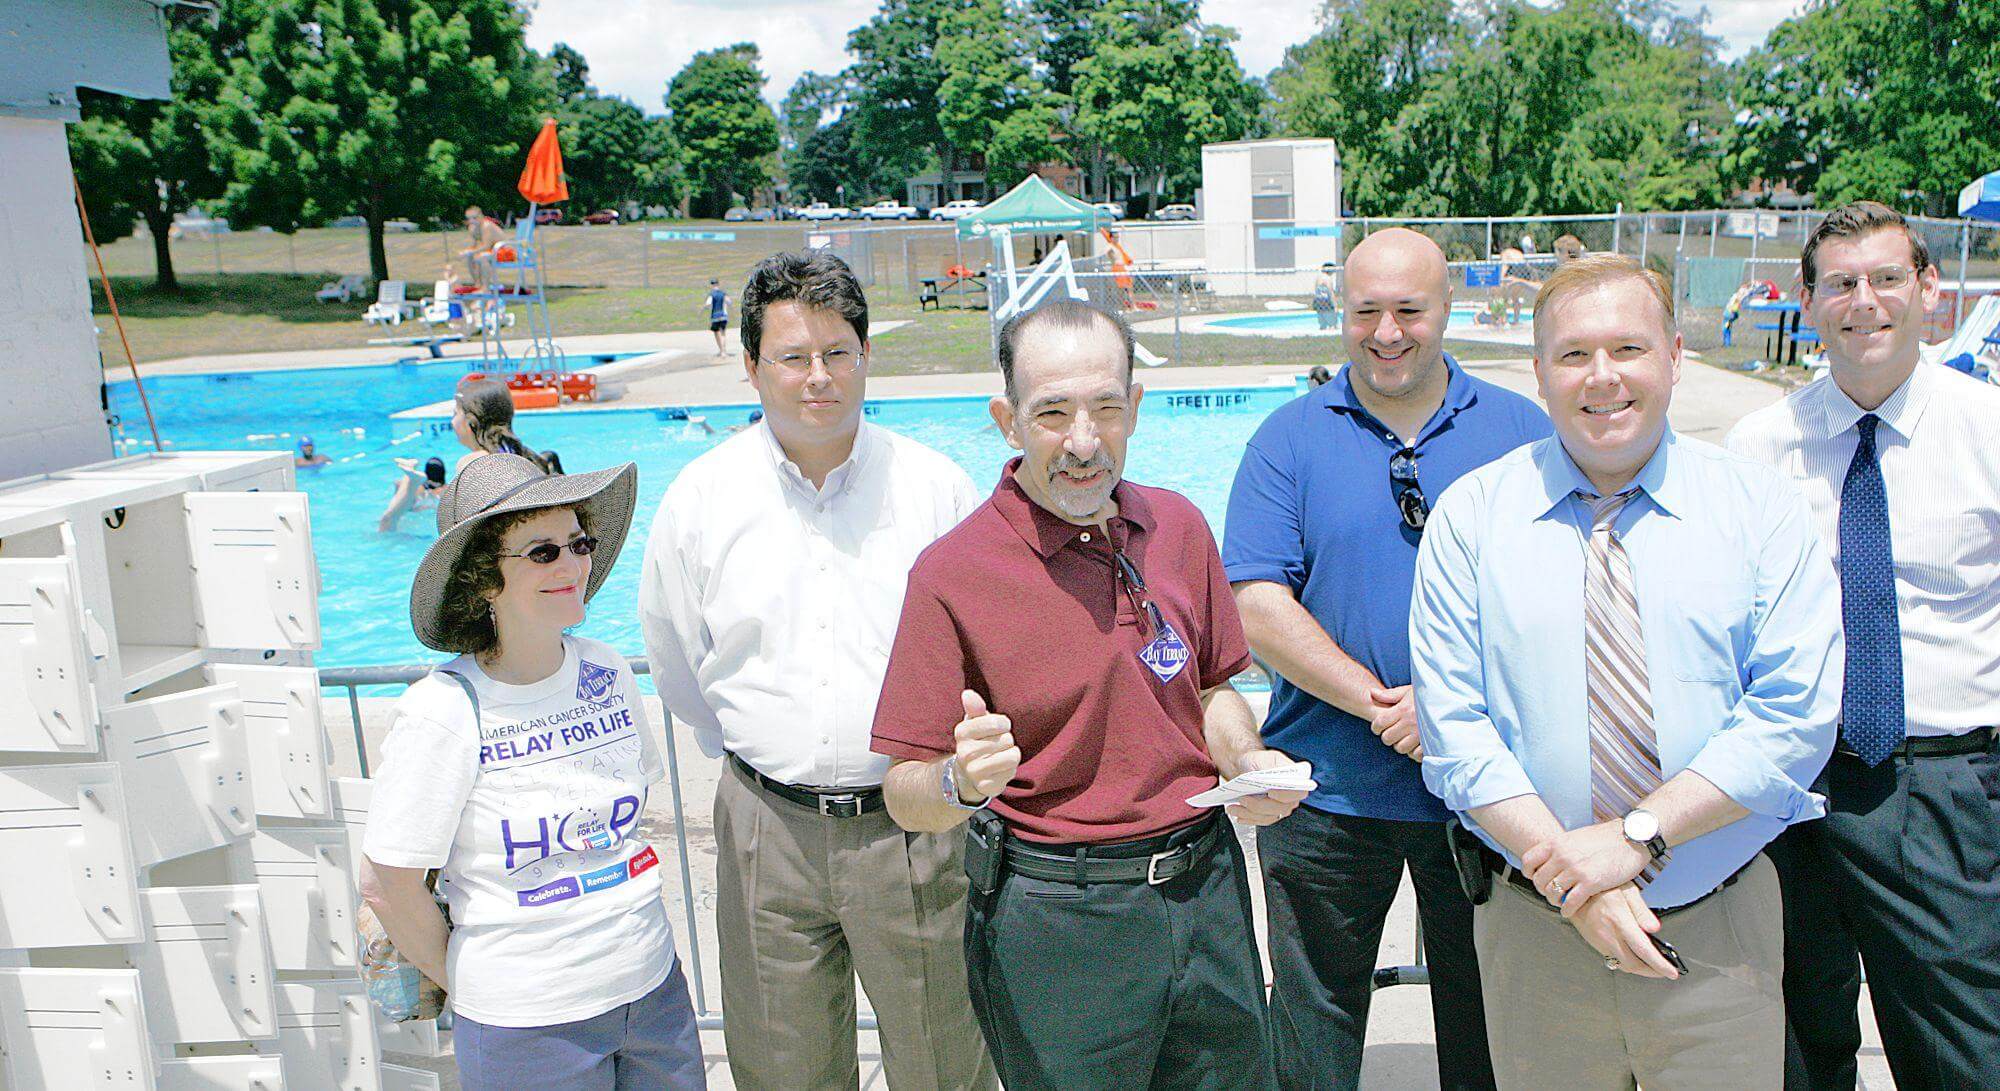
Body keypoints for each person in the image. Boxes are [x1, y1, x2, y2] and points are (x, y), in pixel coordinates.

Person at [1409, 254, 1842, 1090]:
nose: (1601, 377)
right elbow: (1455, 729)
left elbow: (1792, 715)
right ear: (1539, 374)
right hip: (1537, 934)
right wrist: (1576, 878)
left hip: (1718, 932)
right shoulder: (1471, 516)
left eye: (1628, 349)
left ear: (1676, 356)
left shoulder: (1762, 510)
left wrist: (1635, 838)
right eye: (1573, 355)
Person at [872, 299, 1302, 1091]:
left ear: (1134, 407)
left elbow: (1210, 685)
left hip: (1205, 891)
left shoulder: (1177, 526)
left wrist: (1246, 756)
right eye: (1052, 413)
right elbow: (905, 792)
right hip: (1058, 923)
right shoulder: (952, 573)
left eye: (1106, 408)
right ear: (1007, 420)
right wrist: (960, 782)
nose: (1083, 441)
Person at [639, 251, 993, 1091]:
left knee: (947, 1063)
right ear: (752, 366)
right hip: (769, 825)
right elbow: (678, 664)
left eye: (838, 352)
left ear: (867, 356)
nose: (817, 377)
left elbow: (983, 653)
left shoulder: (936, 491)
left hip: (917, 826)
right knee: (783, 1070)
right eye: (793, 357)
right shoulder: (700, 500)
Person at [1224, 227, 1549, 1090]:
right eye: (1366, 310)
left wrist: (1446, 706)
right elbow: (1256, 601)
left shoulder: (1523, 433)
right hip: (1326, 793)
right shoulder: (1285, 440)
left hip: (1485, 795)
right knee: (1311, 1024)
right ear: (1343, 309)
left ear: (1449, 308)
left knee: (1489, 1022)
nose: (1388, 331)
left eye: (1410, 309)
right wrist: (1379, 702)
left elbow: (1557, 596)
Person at [1726, 201, 2000, 1090]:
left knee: (1962, 1048)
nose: (1865, 302)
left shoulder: (1987, 432)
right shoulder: (1758, 448)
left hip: (1943, 785)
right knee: (1792, 1047)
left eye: (1887, 278)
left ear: (1930, 290)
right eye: (1840, 283)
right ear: (1807, 302)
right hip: (1791, 786)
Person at [357, 454, 705, 1090]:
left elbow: (621, 825)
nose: (574, 566)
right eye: (543, 553)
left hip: (655, 993)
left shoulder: (609, 671)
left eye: (579, 543)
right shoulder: (442, 712)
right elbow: (387, 884)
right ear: (483, 579)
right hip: (526, 1025)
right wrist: (475, 983)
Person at [379, 378, 548, 533]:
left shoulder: (473, 461)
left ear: (470, 422)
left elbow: (464, 526)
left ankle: (409, 484)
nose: (452, 422)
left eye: (455, 414)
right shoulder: (525, 455)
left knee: (388, 521)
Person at [459, 206, 508, 285]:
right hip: (492, 251)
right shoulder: (474, 227)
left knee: (482, 257)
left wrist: (470, 252)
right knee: (470, 257)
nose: (472, 221)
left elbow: (486, 246)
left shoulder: (486, 226)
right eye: (469, 218)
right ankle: (478, 284)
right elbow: (476, 245)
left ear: (481, 216)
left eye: (474, 218)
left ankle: (485, 288)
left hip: (504, 252)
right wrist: (467, 252)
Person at [703, 279, 730, 356]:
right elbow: (729, 302)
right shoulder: (723, 293)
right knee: (723, 334)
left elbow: (708, 304)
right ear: (718, 284)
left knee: (716, 334)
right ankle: (724, 351)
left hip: (715, 316)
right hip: (723, 316)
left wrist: (705, 307)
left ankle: (721, 350)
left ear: (711, 285)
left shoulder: (712, 294)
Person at [1313, 262, 1339, 330]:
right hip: (1326, 300)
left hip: (1318, 300)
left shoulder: (1318, 278)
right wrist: (1335, 305)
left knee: (1322, 323)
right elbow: (1330, 292)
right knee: (1332, 323)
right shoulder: (1328, 278)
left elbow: (1316, 290)